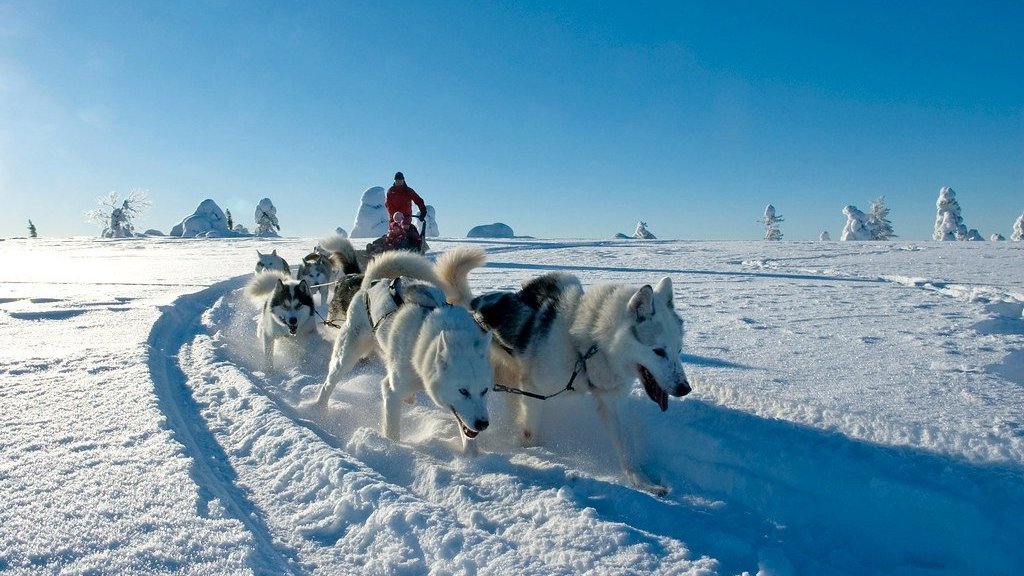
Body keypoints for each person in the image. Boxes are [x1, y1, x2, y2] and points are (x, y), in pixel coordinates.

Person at [385, 171, 426, 246]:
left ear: (403, 180)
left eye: (400, 180)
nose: (398, 182)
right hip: (394, 220)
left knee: (410, 234)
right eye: (397, 180)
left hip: (406, 218)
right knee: (392, 235)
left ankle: (416, 246)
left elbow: (418, 200)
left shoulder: (408, 191)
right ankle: (386, 248)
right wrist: (396, 216)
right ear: (394, 181)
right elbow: (388, 205)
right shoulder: (391, 191)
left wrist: (423, 210)